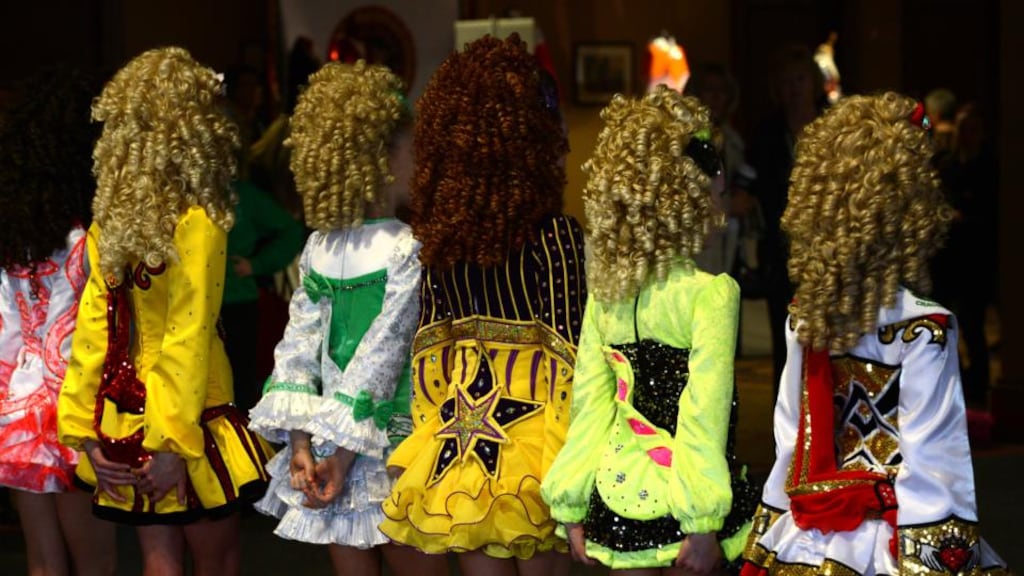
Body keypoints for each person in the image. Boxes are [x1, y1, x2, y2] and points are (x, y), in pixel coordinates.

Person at [740, 93, 1010, 575]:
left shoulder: (805, 318)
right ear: (913, 207)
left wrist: (774, 527)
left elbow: (791, 440)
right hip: (892, 540)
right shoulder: (925, 328)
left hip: (811, 538)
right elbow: (933, 462)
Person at [57, 47, 271, 576]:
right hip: (193, 408)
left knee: (159, 561)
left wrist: (84, 427)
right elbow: (188, 333)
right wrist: (173, 441)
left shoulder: (109, 223)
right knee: (216, 564)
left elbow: (91, 335)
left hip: (124, 409)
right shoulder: (197, 220)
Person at [379, 34, 585, 576]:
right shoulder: (555, 238)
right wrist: (571, 472)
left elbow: (429, 361)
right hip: (539, 452)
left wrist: (430, 446)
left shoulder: (441, 241)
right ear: (532, 136)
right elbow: (571, 359)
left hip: (460, 447)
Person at [540, 86, 756, 575]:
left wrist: (571, 503)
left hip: (617, 495)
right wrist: (702, 523)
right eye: (712, 164)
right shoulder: (711, 294)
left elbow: (589, 408)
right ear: (686, 191)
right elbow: (704, 415)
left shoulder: (606, 294)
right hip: (686, 505)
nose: (723, 177)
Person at [247, 60, 447, 576]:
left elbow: (296, 350)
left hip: (330, 447)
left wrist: (302, 445)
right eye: (412, 150)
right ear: (381, 159)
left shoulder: (318, 248)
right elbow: (383, 355)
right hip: (396, 447)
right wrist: (337, 452)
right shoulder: (408, 247)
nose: (419, 163)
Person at [0, 68, 117, 576]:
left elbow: (4, 329)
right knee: (96, 563)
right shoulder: (87, 238)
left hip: (18, 405)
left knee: (42, 563)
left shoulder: (11, 236)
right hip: (77, 406)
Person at [748, 45, 827, 388]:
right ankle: (788, 426)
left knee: (826, 338)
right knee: (787, 339)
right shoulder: (766, 132)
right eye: (787, 82)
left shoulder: (833, 125)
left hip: (828, 247)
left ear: (814, 83)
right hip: (780, 249)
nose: (794, 88)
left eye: (800, 79)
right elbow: (749, 180)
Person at [931, 103, 999, 409]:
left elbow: (991, 213)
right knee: (943, 326)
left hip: (975, 257)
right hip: (947, 258)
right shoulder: (947, 165)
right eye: (962, 129)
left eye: (972, 130)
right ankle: (954, 383)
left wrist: (964, 216)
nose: (966, 136)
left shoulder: (988, 166)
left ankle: (978, 388)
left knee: (972, 326)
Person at [222, 179, 305, 412]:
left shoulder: (242, 195)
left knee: (241, 387)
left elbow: (291, 230)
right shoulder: (182, 190)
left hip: (237, 304)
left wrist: (257, 264)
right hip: (194, 306)